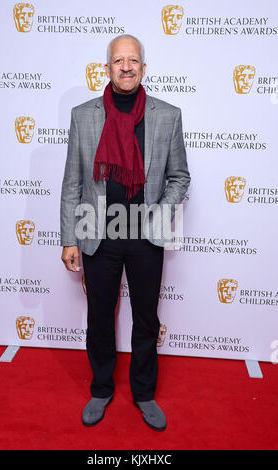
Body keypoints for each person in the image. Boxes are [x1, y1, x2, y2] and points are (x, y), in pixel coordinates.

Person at [60, 34, 190, 431]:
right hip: (97, 230)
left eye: (133, 60)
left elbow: (180, 177)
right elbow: (72, 182)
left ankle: (144, 393)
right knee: (100, 315)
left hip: (144, 235)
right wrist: (68, 237)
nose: (126, 66)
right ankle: (101, 389)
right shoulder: (84, 115)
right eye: (119, 60)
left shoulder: (167, 115)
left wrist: (158, 214)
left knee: (147, 318)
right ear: (108, 68)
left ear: (144, 68)